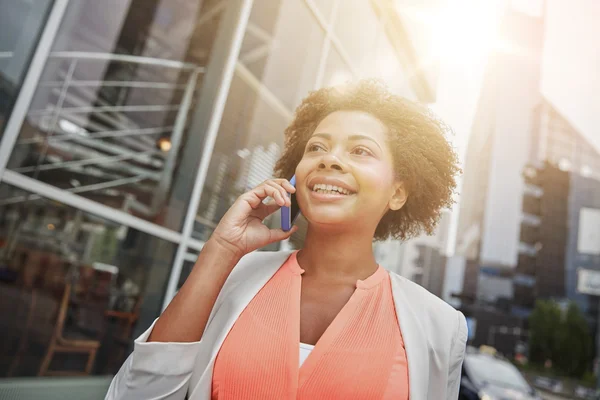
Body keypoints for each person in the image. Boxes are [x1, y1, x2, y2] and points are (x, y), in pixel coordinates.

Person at [105, 80, 467, 400]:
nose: (330, 160)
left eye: (360, 151)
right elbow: (139, 394)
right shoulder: (236, 277)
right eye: (316, 148)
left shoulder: (439, 326)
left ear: (398, 192)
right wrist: (222, 249)